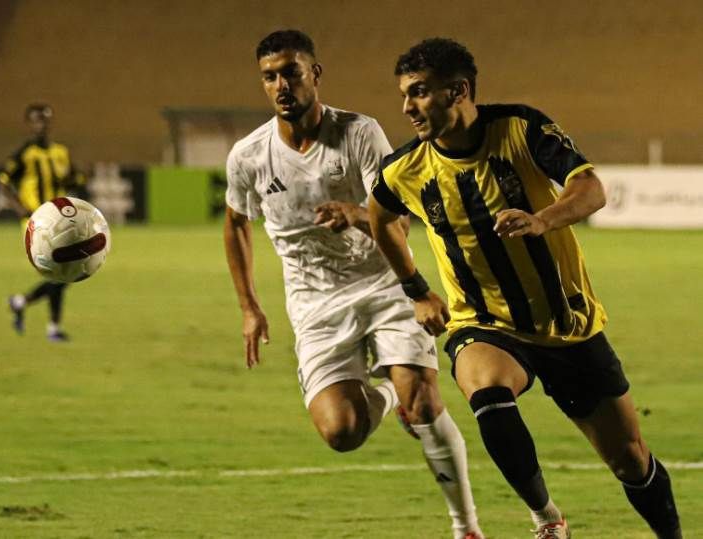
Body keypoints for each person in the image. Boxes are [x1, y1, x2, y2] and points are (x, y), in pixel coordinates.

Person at [368, 37, 682, 539]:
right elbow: (381, 219)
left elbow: (591, 188)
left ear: (459, 91)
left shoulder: (521, 129)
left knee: (630, 461)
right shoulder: (404, 170)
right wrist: (417, 290)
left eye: (420, 92)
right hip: (483, 323)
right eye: (404, 94)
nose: (407, 107)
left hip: (565, 324)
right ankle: (547, 518)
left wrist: (542, 220)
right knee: (489, 396)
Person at [224, 30, 484, 539]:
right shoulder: (249, 156)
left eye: (291, 73)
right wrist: (250, 307)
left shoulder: (359, 133)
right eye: (270, 77)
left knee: (425, 402)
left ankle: (466, 527)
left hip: (385, 283)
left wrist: (357, 214)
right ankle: (388, 396)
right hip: (315, 303)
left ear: (315, 74)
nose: (281, 85)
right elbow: (236, 223)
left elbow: (400, 219)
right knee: (341, 432)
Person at [0, 103, 86, 342]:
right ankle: (48, 324)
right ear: (29, 124)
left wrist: (80, 181)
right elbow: (4, 184)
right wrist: (21, 209)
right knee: (64, 273)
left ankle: (26, 307)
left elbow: (73, 179)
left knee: (63, 274)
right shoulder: (24, 154)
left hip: (60, 221)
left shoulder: (61, 152)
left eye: (44, 120)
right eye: (36, 120)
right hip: (36, 222)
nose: (41, 125)